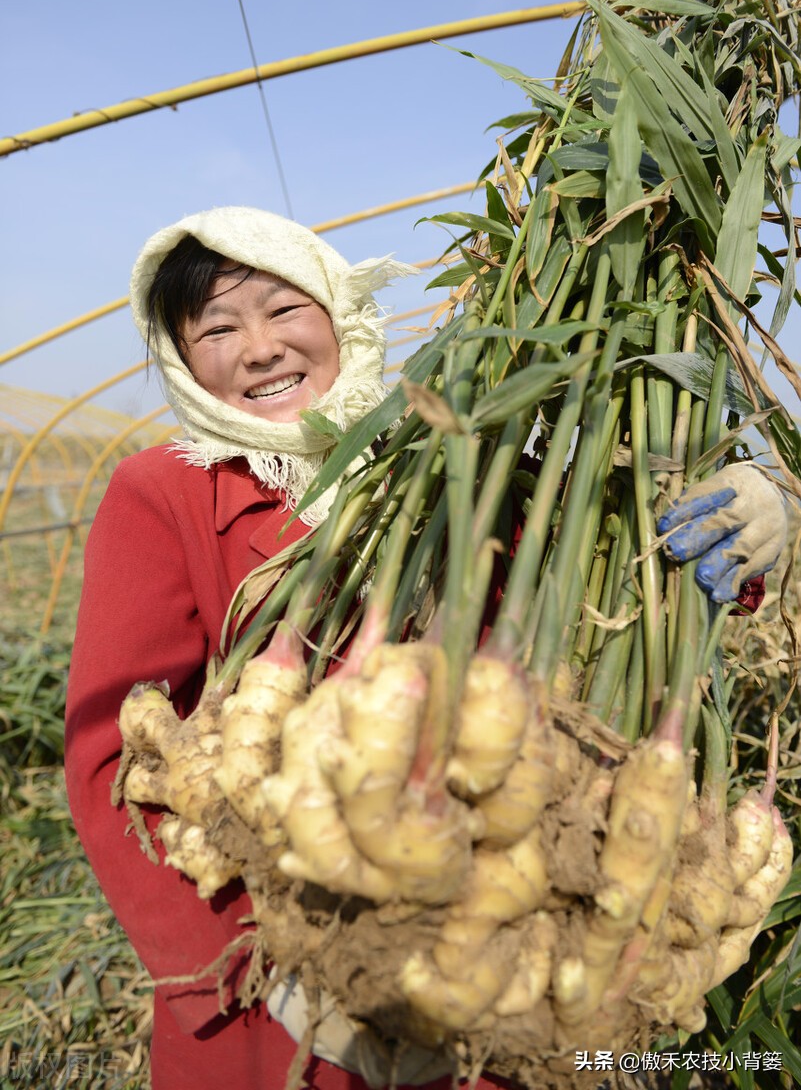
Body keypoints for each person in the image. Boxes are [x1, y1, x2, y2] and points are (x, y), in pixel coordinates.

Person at [65, 206, 788, 1090]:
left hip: (483, 957)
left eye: (284, 311)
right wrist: (239, 974)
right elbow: (111, 764)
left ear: (339, 316)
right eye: (217, 327)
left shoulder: (442, 455)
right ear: (183, 359)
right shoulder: (163, 493)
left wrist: (745, 506)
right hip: (278, 1001)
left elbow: (616, 562)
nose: (259, 348)